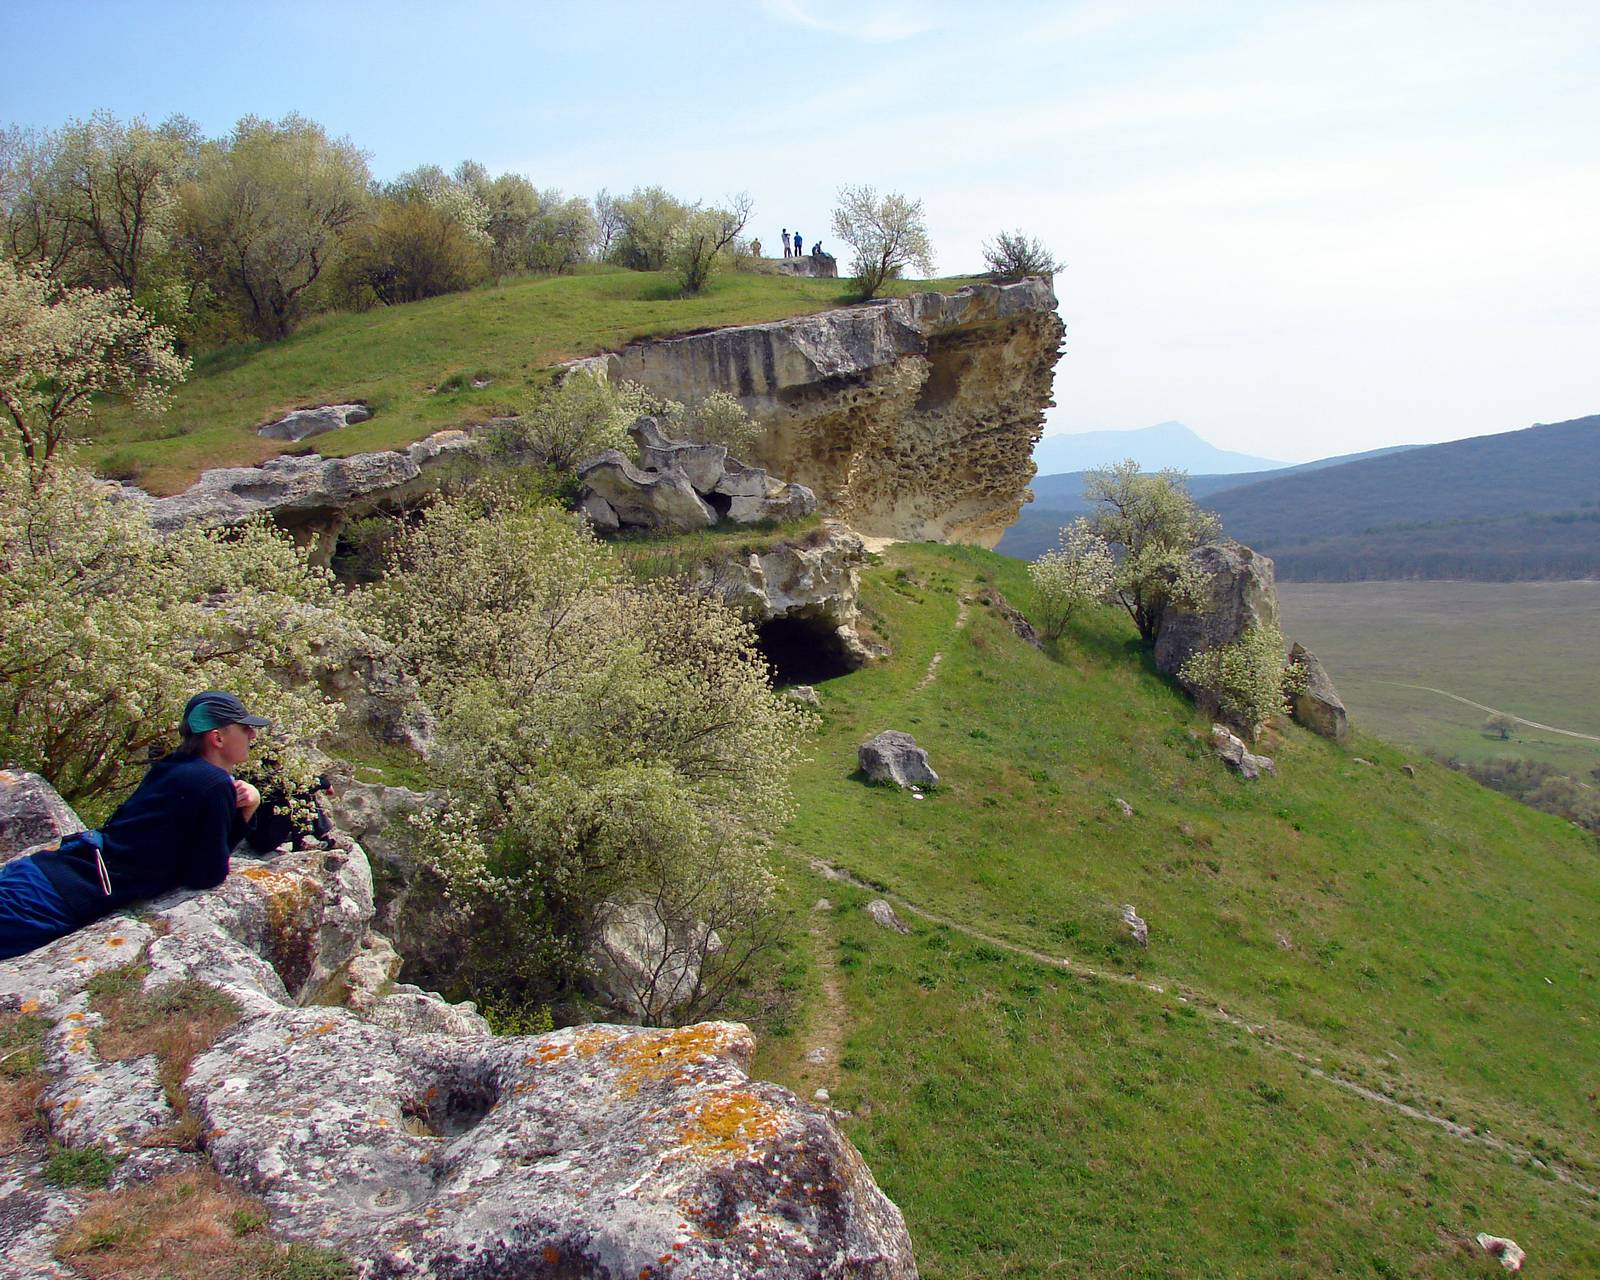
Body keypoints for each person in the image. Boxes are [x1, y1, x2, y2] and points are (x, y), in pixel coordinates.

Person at [0, 690, 272, 960]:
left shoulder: (174, 766)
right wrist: (247, 812)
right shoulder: (213, 784)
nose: (253, 735)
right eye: (245, 728)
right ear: (217, 737)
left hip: (45, 874)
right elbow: (208, 873)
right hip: (51, 901)